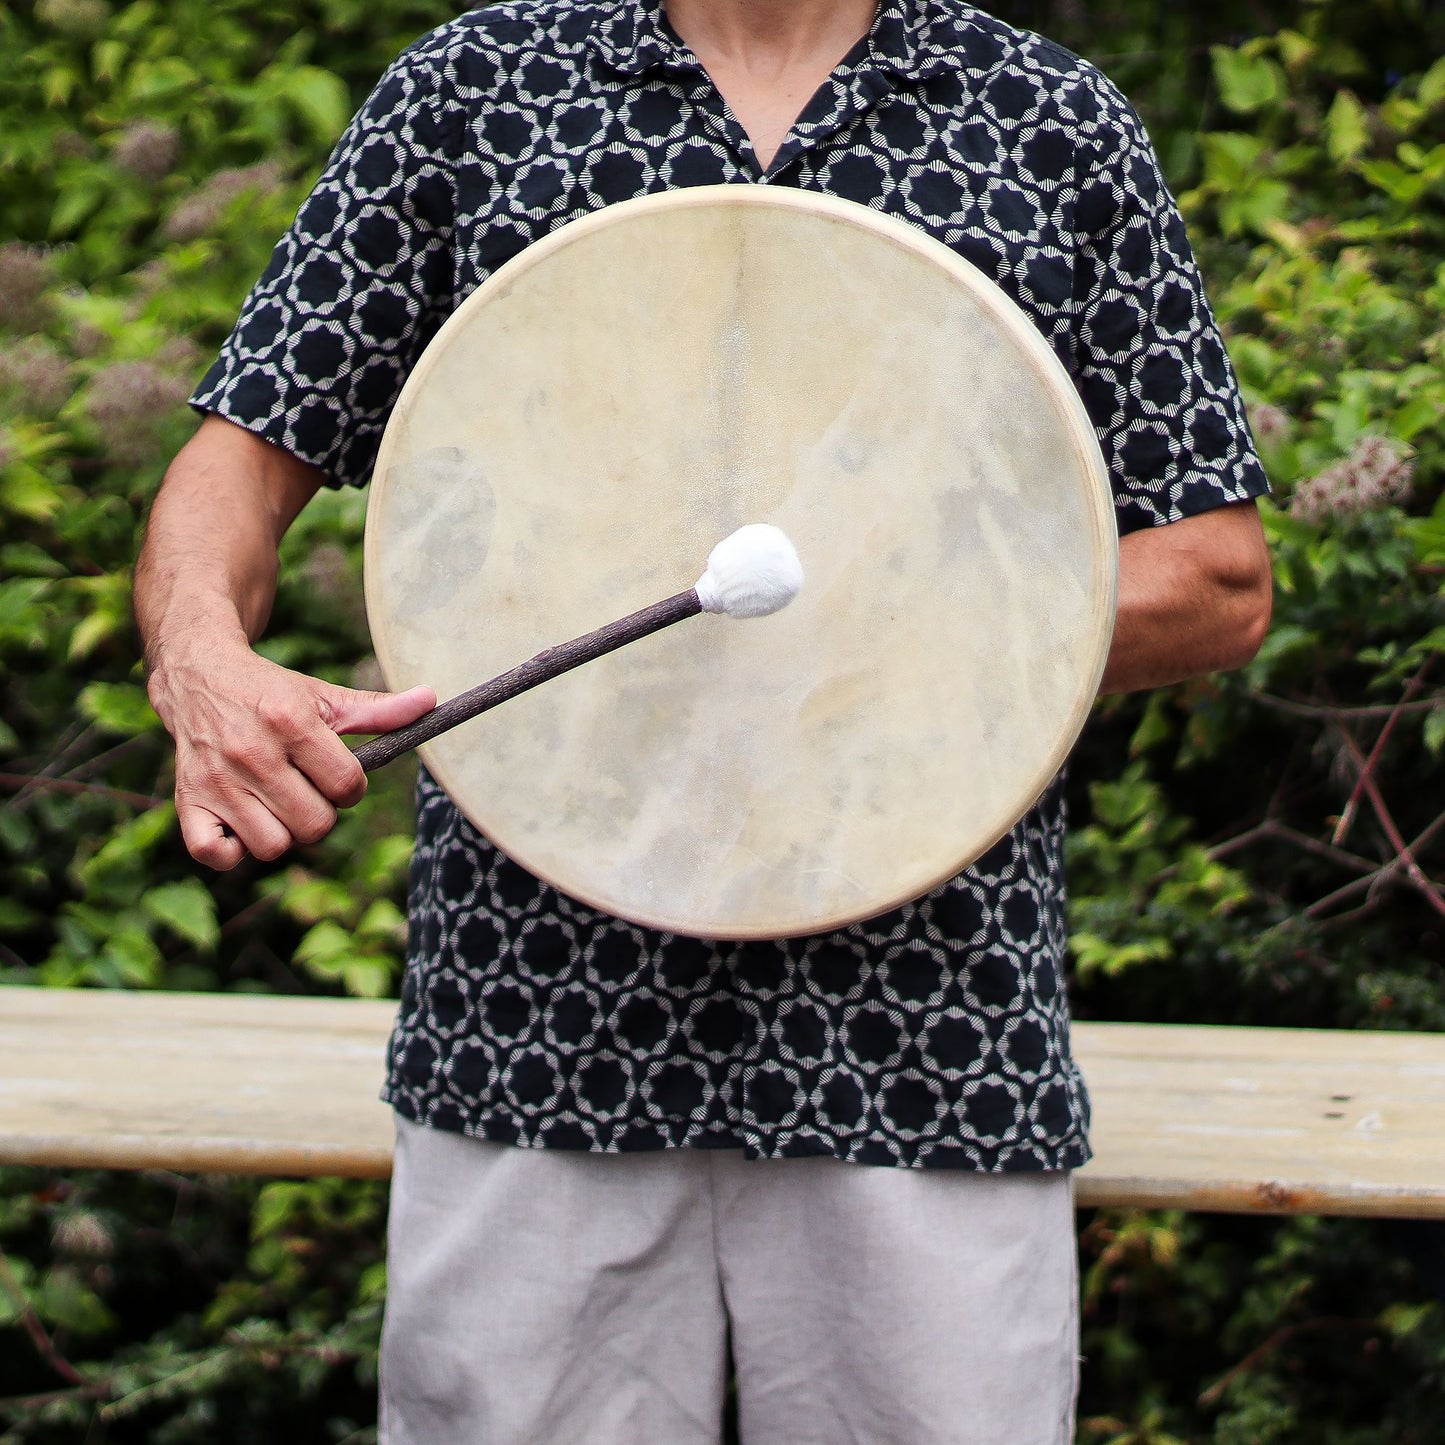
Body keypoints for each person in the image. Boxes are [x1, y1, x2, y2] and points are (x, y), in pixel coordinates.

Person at [134, 1, 1274, 1440]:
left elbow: (1213, 577)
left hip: (924, 1035)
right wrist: (199, 658)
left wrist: (859, 613)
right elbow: (234, 463)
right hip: (533, 1023)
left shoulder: (1042, 118)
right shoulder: (482, 88)